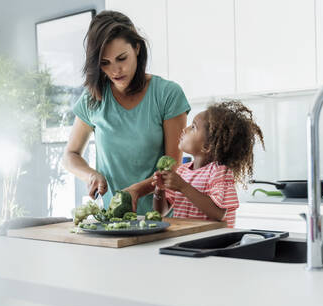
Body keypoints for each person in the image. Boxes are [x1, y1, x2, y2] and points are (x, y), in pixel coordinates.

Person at [63, 10, 189, 214]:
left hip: (165, 219)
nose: (115, 70)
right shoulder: (92, 99)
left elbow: (172, 168)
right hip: (114, 222)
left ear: (137, 48)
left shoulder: (167, 94)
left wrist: (136, 192)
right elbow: (70, 155)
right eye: (105, 63)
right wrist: (91, 175)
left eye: (122, 58)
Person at [152, 100, 264, 228]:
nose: (185, 129)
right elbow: (161, 211)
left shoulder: (220, 172)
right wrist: (159, 190)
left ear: (207, 146)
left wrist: (183, 186)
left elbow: (218, 213)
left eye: (193, 127)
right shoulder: (182, 171)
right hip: (187, 242)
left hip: (214, 245)